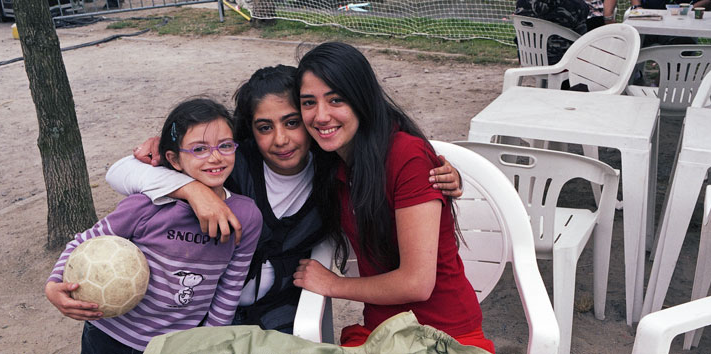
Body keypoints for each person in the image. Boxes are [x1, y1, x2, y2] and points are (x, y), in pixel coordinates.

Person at [104, 65, 464, 334]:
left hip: (279, 314)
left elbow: (386, 160)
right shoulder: (230, 161)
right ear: (250, 130)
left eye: (292, 122)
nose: (281, 139)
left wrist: (449, 177)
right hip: (198, 311)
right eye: (265, 127)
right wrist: (191, 189)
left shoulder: (332, 169)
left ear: (309, 118)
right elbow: (118, 172)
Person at [290, 42, 495, 353]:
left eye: (336, 99)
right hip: (380, 332)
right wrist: (188, 186)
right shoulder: (329, 162)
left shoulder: (406, 156)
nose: (321, 116)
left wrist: (334, 285)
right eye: (308, 103)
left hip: (443, 336)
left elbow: (417, 283)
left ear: (361, 99)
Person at [45, 98, 262, 353]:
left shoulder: (246, 216)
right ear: (174, 159)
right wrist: (53, 284)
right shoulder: (146, 204)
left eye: (225, 146)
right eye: (199, 149)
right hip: (110, 336)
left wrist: (209, 342)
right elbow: (85, 241)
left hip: (178, 345)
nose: (215, 157)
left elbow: (230, 287)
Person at [514, 0, 592, 65]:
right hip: (559, 61)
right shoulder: (577, 5)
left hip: (527, 57)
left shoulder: (522, 2)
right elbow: (581, 38)